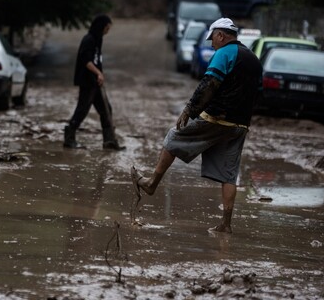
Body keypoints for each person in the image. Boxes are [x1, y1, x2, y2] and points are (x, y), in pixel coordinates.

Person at [131, 17, 262, 233]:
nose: (212, 44)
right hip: (241, 124)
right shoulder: (254, 59)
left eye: (213, 39)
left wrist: (189, 110)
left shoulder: (224, 53)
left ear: (221, 35)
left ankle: (151, 183)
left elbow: (209, 84)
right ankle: (226, 225)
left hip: (218, 118)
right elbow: (259, 94)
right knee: (229, 173)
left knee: (173, 137)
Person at [64, 14, 125, 151]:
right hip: (87, 82)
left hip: (95, 83)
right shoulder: (89, 40)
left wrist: (99, 75)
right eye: (107, 28)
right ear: (101, 27)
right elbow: (86, 61)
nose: (107, 31)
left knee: (106, 109)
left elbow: (97, 60)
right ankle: (69, 137)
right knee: (82, 109)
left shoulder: (98, 40)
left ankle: (109, 140)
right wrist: (98, 73)